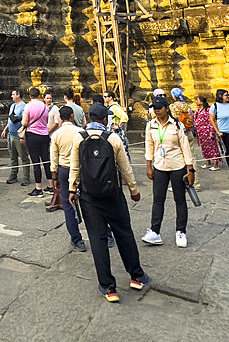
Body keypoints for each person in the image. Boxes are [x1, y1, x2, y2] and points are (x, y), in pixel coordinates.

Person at [68, 102, 150, 302]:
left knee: (97, 239)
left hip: (89, 196)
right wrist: (134, 190)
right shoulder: (113, 139)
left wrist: (72, 188)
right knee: (124, 233)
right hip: (112, 195)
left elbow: (75, 167)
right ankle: (136, 276)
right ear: (105, 119)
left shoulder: (79, 138)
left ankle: (108, 287)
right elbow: (125, 168)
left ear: (88, 119)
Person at [143, 97, 195, 247]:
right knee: (158, 199)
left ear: (167, 108)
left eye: (159, 107)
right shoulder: (151, 125)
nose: (157, 110)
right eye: (154, 108)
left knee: (179, 199)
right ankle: (155, 231)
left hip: (177, 166)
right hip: (160, 166)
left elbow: (185, 147)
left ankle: (181, 231)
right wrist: (149, 165)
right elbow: (149, 145)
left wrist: (190, 169)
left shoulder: (177, 125)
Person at [50, 105, 85, 250]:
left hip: (64, 170)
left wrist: (54, 177)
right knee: (87, 201)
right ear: (72, 117)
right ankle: (104, 234)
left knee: (67, 203)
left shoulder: (56, 134)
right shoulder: (81, 132)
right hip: (81, 170)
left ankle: (77, 239)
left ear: (60, 118)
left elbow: (54, 158)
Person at [21, 86, 54, 197]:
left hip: (32, 134)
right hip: (44, 134)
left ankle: (38, 188)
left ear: (30, 96)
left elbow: (24, 122)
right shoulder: (45, 107)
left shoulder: (28, 106)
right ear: (39, 95)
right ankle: (50, 185)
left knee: (35, 162)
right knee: (46, 160)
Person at [1, 89, 28, 185]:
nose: (12, 96)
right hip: (11, 134)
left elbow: (24, 121)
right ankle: (13, 174)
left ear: (18, 95)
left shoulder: (24, 106)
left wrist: (23, 136)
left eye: (13, 94)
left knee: (23, 157)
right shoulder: (12, 106)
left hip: (19, 135)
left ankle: (26, 177)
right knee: (13, 157)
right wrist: (5, 129)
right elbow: (10, 119)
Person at [192, 95, 221, 170]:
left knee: (212, 147)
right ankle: (207, 162)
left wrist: (212, 131)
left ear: (201, 102)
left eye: (197, 100)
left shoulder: (207, 110)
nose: (196, 102)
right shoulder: (197, 110)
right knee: (204, 147)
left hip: (207, 131)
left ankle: (216, 164)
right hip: (200, 132)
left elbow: (211, 121)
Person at [103, 91, 130, 156]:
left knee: (122, 151)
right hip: (111, 131)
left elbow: (124, 116)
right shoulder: (109, 107)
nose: (104, 98)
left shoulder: (114, 107)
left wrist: (119, 126)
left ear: (110, 98)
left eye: (105, 97)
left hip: (116, 132)